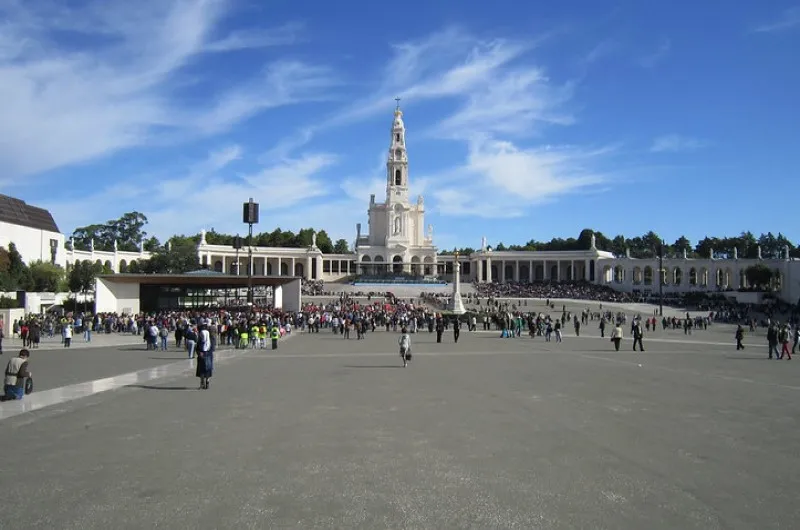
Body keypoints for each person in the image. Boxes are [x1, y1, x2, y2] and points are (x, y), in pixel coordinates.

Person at [196, 324, 212, 390]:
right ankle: (207, 382)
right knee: (208, 369)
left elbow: (198, 347)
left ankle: (202, 383)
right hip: (208, 354)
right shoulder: (209, 341)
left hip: (202, 354)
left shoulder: (201, 340)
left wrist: (199, 352)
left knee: (201, 370)